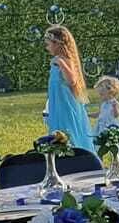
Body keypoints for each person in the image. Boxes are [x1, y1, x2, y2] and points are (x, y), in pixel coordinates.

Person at [42, 24, 97, 154]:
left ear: (57, 44)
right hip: (58, 104)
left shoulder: (65, 60)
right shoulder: (57, 60)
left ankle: (76, 156)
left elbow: (72, 80)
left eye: (49, 44)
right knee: (58, 131)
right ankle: (62, 156)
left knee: (69, 130)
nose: (47, 47)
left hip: (67, 105)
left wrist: (60, 63)